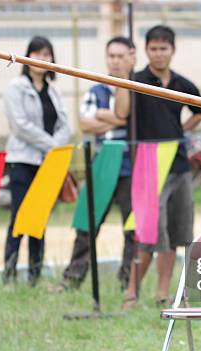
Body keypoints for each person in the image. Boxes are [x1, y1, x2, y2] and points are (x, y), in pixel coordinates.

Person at [115, 25, 201, 307]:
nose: (158, 54)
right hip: (147, 166)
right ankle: (131, 292)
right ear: (145, 51)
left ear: (172, 50)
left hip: (179, 165)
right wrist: (123, 76)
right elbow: (121, 113)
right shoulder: (137, 80)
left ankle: (163, 293)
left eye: (163, 48)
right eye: (153, 49)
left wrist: (182, 131)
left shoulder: (181, 83)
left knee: (178, 232)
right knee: (149, 232)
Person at [50, 36, 137, 292]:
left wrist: (104, 115)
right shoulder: (96, 89)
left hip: (131, 165)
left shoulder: (138, 88)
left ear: (130, 57)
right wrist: (118, 120)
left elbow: (123, 117)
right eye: (112, 56)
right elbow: (86, 123)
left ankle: (127, 281)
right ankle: (73, 277)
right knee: (87, 224)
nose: (116, 61)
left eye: (122, 56)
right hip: (103, 162)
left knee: (132, 228)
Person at [2, 36, 71, 286]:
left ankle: (34, 273)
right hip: (22, 161)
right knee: (20, 218)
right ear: (27, 56)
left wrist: (54, 146)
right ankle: (9, 273)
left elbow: (66, 125)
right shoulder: (16, 87)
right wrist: (52, 144)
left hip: (47, 163)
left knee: (38, 219)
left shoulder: (53, 91)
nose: (42, 59)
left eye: (46, 54)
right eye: (37, 54)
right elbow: (20, 126)